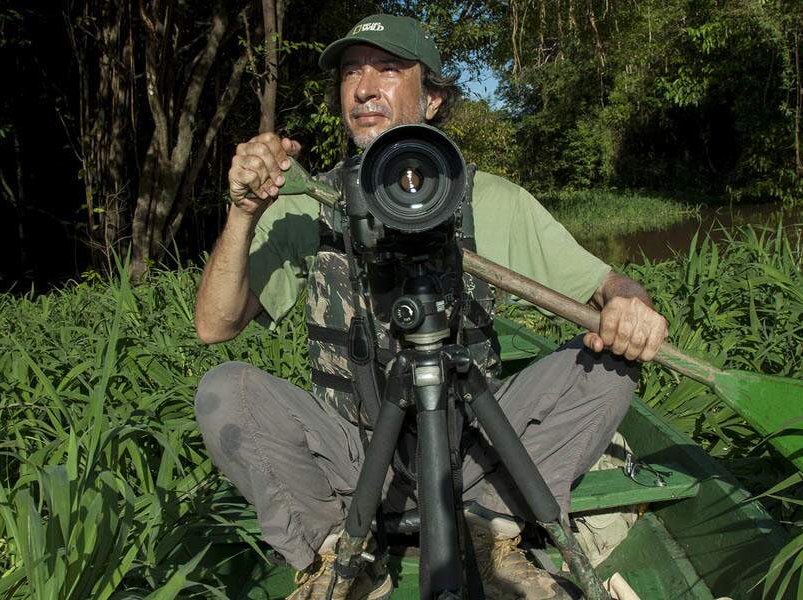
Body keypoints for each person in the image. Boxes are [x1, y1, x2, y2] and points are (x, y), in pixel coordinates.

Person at [193, 13, 668, 600]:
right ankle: (339, 552)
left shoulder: (488, 199)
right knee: (224, 391)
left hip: (476, 447)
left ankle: (492, 529)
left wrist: (628, 303)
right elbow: (214, 325)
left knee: (611, 366)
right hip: (355, 459)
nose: (364, 88)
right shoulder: (309, 201)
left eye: (388, 69)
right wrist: (243, 211)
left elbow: (606, 285)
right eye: (350, 72)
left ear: (433, 97)